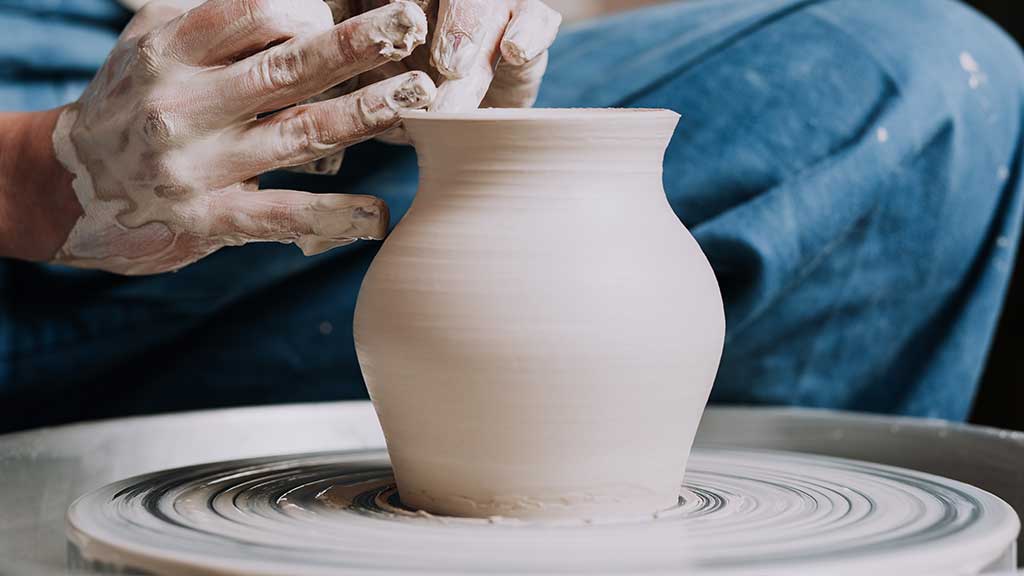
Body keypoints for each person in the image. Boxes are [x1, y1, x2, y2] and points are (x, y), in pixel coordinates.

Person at [0, 0, 1021, 433]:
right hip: (28, 181)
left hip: (216, 81)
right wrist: (46, 178)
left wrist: (438, 28)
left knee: (921, 81)